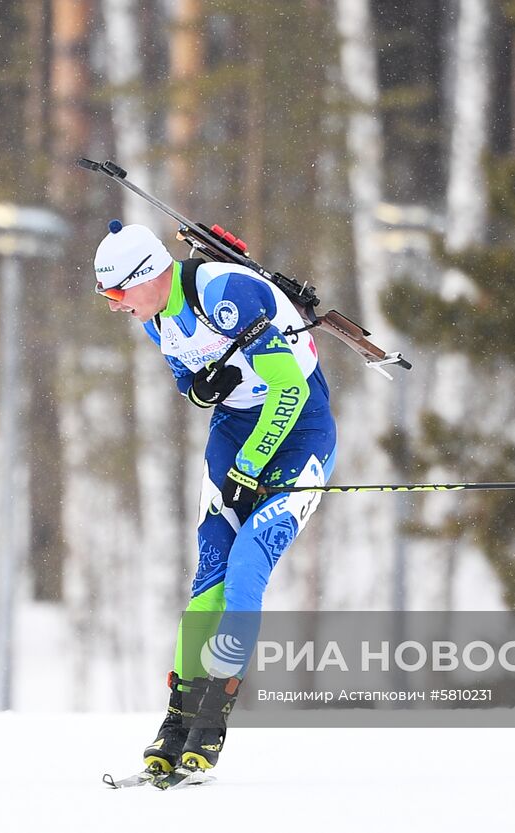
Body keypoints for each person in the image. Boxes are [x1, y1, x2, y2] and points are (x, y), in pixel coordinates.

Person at [92, 220, 337, 773]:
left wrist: (252, 466)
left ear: (149, 274)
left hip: (299, 435)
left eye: (115, 291)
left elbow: (291, 389)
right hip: (234, 432)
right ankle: (177, 718)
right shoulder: (155, 320)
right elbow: (189, 377)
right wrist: (199, 388)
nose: (112, 305)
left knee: (248, 565)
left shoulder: (225, 292)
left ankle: (211, 718)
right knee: (211, 570)